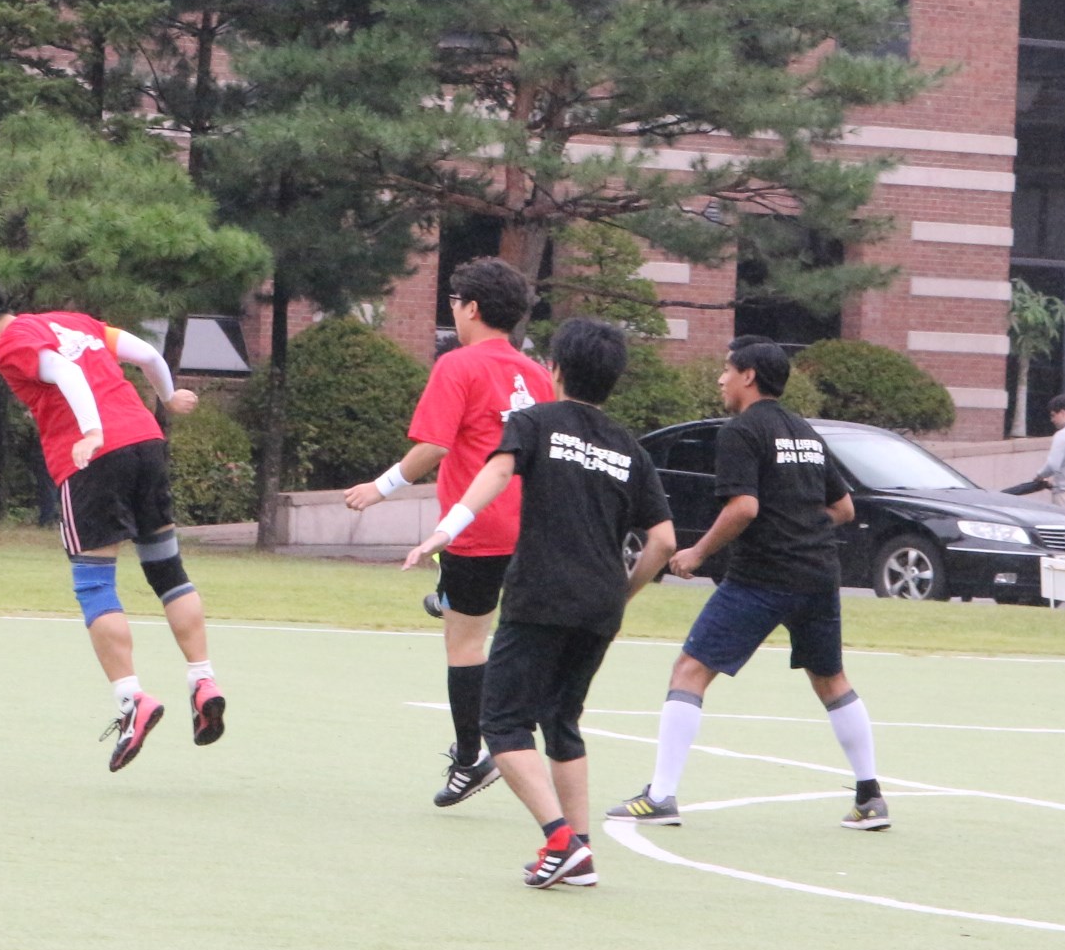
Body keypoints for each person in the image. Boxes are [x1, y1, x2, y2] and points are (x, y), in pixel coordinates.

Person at [403, 319, 677, 890]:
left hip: (541, 596)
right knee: (562, 721)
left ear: (555, 370)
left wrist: (445, 532)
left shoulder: (534, 422)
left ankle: (559, 839)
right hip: (600, 605)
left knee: (502, 723)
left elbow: (495, 474)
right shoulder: (630, 449)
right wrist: (622, 593)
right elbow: (664, 542)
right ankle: (580, 853)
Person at [0, 277, 222, 770]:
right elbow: (148, 354)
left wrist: (90, 431)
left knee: (93, 583)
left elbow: (64, 372)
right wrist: (167, 399)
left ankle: (132, 702)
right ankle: (202, 679)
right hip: (145, 444)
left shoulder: (13, 343)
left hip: (94, 457)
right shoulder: (71, 321)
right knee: (168, 572)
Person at [612, 336, 890, 832]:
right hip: (819, 575)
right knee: (831, 679)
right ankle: (870, 797)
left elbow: (744, 508)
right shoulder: (804, 431)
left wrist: (697, 553)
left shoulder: (741, 431)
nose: (720, 378)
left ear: (748, 376)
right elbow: (843, 508)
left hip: (762, 577)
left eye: (726, 369)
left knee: (689, 671)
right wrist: (800, 524)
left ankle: (661, 796)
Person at [344, 256, 552, 809]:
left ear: (473, 308)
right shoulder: (537, 374)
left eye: (454, 303)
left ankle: (468, 761)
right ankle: (445, 597)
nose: (452, 313)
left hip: (477, 527)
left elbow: (434, 446)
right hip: (531, 528)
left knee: (465, 643)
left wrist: (379, 486)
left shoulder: (458, 365)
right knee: (515, 634)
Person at [1005, 396, 1065, 514]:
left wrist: (1040, 475)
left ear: (1063, 413)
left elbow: (1053, 465)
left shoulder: (1063, 435)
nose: (1052, 420)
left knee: (1063, 529)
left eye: (1053, 415)